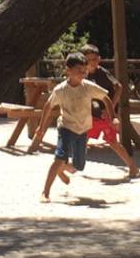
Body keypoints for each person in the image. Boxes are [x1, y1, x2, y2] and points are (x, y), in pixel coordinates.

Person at [39, 53, 107, 201]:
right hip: (66, 127)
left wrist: (113, 116)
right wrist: (41, 128)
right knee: (59, 157)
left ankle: (60, 169)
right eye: (78, 70)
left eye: (84, 70)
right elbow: (48, 106)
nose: (82, 73)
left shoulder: (87, 87)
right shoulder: (60, 90)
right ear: (68, 70)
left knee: (79, 166)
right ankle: (45, 192)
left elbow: (105, 97)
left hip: (82, 129)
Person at [79, 45, 140, 179]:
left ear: (99, 59)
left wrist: (111, 106)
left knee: (113, 142)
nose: (92, 62)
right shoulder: (83, 75)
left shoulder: (102, 73)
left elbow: (118, 86)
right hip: (92, 115)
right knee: (83, 139)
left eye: (95, 59)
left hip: (105, 115)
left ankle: (132, 167)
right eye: (89, 60)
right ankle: (75, 164)